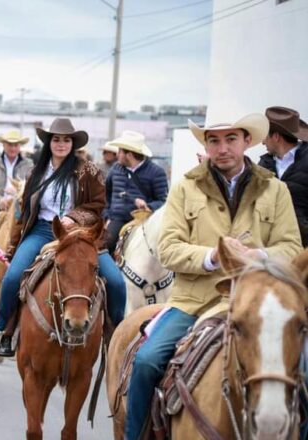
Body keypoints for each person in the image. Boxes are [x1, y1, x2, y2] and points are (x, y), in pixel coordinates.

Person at [123, 114, 302, 439]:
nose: (222, 148)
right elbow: (168, 248)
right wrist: (211, 256)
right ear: (205, 145)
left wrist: (259, 256)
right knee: (147, 362)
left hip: (259, 303)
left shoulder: (276, 190)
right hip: (193, 303)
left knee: (301, 371)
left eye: (231, 139)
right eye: (214, 140)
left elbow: (291, 245)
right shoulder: (184, 189)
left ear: (248, 140)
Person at [0, 118, 127, 358]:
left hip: (81, 234)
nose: (61, 144)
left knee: (116, 282)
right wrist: (14, 245)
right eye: (56, 139)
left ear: (73, 143)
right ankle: (5, 330)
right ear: (49, 143)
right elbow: (24, 212)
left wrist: (75, 217)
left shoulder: (89, 169)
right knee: (12, 277)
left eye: (66, 140)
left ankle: (116, 333)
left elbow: (98, 204)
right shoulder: (36, 172)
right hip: (43, 230)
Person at [103, 131, 169, 253]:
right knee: (104, 245)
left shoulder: (156, 172)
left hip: (144, 221)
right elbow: (105, 196)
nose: (117, 155)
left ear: (129, 154)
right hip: (117, 219)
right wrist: (106, 216)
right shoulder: (115, 169)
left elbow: (164, 201)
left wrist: (148, 206)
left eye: (120, 151)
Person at [260, 106, 308, 246]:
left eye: (265, 136)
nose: (262, 142)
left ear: (276, 137)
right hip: (275, 249)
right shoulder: (264, 164)